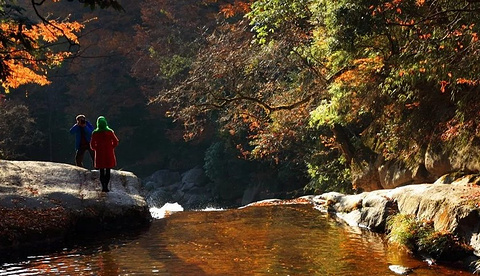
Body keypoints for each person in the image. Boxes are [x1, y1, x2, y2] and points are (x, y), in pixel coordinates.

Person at [90, 116, 119, 192]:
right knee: (108, 170)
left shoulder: (95, 133)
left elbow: (92, 144)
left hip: (100, 153)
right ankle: (107, 185)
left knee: (101, 171)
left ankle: (103, 186)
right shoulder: (110, 132)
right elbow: (116, 141)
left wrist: (96, 149)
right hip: (109, 152)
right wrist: (111, 147)